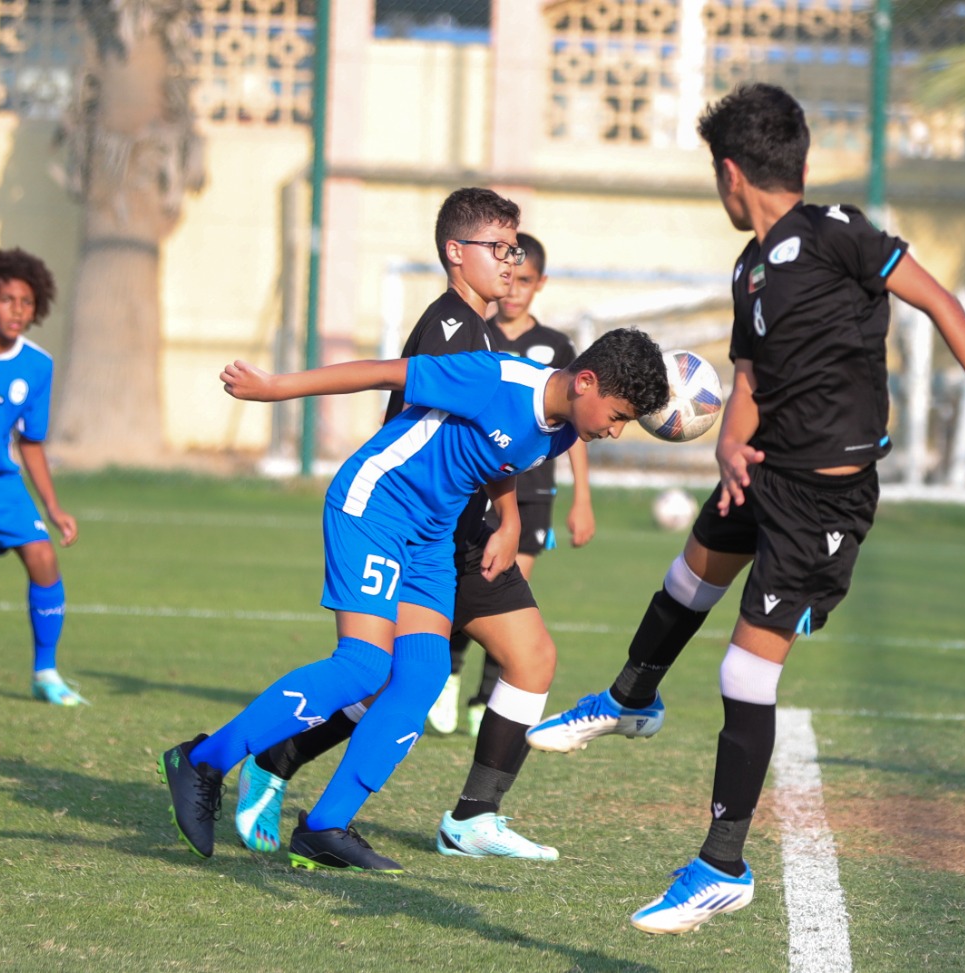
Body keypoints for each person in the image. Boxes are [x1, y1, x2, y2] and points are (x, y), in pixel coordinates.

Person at [525, 83, 965, 934]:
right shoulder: (748, 268)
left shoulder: (841, 233)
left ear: (732, 175)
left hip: (824, 496)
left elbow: (940, 301)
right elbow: (752, 381)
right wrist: (729, 442)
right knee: (687, 576)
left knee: (743, 672)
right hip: (762, 469)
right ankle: (629, 697)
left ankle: (721, 865)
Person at [158, 189, 671, 871]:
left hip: (430, 537)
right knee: (363, 664)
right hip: (376, 505)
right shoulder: (494, 376)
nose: (615, 429)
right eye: (618, 413)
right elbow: (382, 372)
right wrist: (272, 388)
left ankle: (326, 825)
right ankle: (202, 760)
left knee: (423, 673)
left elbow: (502, 461)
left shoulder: (559, 427)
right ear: (584, 382)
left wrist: (509, 517)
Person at [232, 208, 593, 861]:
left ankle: (470, 816)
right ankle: (270, 760)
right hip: (430, 527)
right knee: (381, 676)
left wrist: (510, 518)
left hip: (460, 525)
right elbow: (421, 416)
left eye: (516, 252)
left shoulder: (486, 337)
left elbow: (495, 442)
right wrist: (277, 388)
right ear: (457, 252)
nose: (511, 263)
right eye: (501, 249)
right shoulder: (451, 327)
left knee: (505, 661)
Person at [427, 232, 595, 739]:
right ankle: (448, 677)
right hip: (483, 487)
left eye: (526, 280)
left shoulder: (558, 346)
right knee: (468, 586)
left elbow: (577, 426)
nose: (516, 289)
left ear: (539, 284)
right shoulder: (479, 335)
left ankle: (486, 698)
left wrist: (582, 498)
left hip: (533, 493)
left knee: (507, 591)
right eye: (511, 277)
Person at [0, 246, 85, 706]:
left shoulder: (38, 365)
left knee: (44, 558)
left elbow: (31, 442)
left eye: (26, 302)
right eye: (8, 300)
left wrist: (53, 507)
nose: (18, 310)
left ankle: (45, 672)